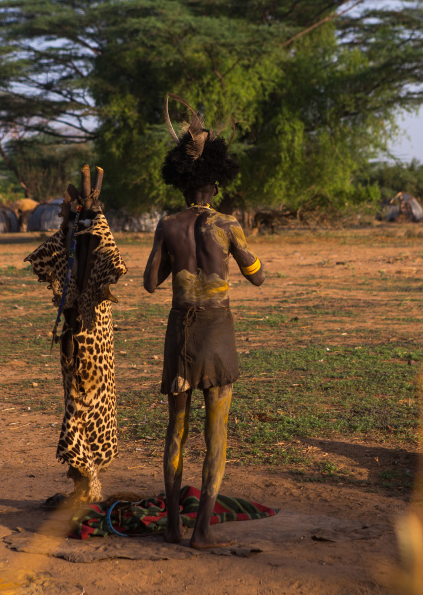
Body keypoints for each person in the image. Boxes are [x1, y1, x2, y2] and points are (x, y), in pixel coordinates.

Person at [143, 95, 264, 549]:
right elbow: (258, 276)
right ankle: (203, 531)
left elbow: (150, 282)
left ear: (182, 185)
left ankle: (173, 527)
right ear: (215, 184)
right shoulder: (229, 225)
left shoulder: (168, 224)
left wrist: (178, 258)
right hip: (217, 332)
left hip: (180, 334)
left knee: (176, 431)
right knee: (217, 434)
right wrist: (237, 255)